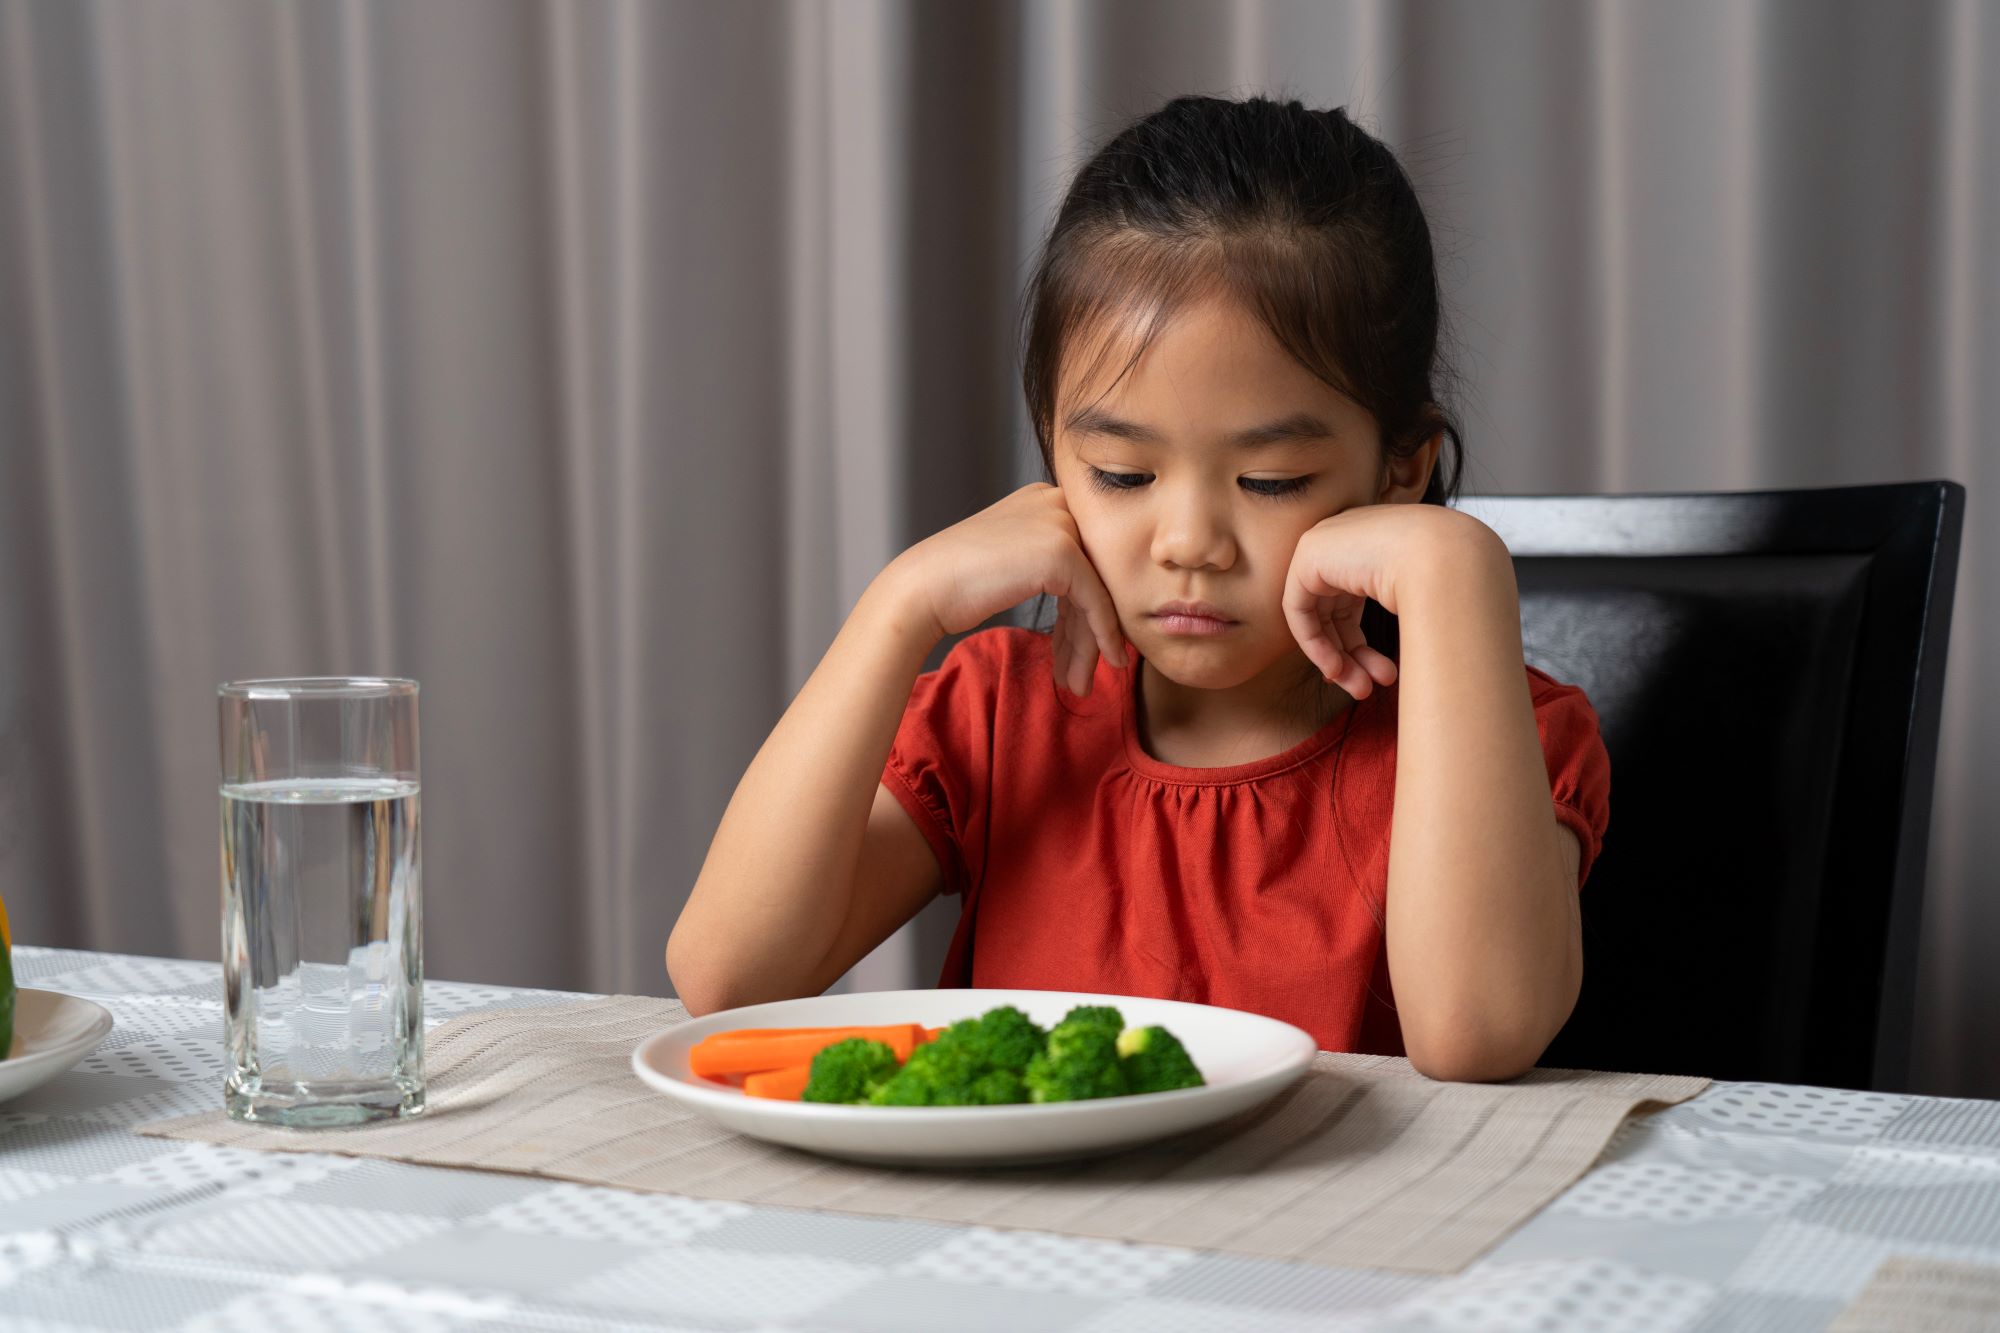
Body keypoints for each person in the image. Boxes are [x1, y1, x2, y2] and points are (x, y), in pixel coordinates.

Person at [668, 94, 1610, 1082]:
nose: (1189, 542)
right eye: (1121, 473)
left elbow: (1476, 1036)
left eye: (1270, 481)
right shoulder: (1000, 716)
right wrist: (899, 604)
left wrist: (1453, 566)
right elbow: (728, 975)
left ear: (1397, 470)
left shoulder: (1504, 738)